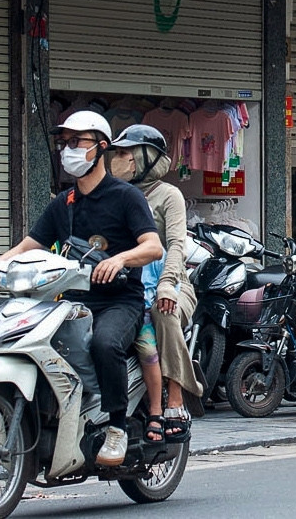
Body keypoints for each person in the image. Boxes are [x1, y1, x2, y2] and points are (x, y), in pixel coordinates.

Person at [0, 112, 162, 468]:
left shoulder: (126, 197)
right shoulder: (63, 203)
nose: (68, 150)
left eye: (78, 142)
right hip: (72, 302)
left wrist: (121, 260)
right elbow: (29, 245)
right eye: (65, 142)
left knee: (105, 344)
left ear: (101, 148)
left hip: (119, 303)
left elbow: (153, 246)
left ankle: (117, 427)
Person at [109, 124, 201, 443]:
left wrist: (166, 285)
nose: (117, 159)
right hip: (126, 285)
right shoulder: (112, 194)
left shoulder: (168, 195)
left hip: (171, 283)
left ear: (146, 158)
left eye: (125, 153)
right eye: (116, 153)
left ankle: (175, 397)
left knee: (165, 312)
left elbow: (177, 244)